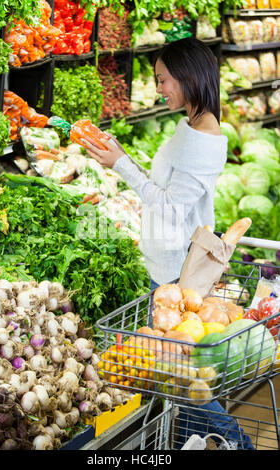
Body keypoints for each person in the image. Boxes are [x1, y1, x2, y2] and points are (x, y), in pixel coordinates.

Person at [81, 37, 254, 449]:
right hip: (166, 267)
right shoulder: (191, 124)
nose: (159, 89)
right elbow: (167, 188)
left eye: (162, 81)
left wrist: (121, 165)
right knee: (177, 383)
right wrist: (122, 154)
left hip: (179, 275)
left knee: (180, 383)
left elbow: (174, 211)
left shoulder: (205, 139)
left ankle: (241, 445)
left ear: (188, 76)